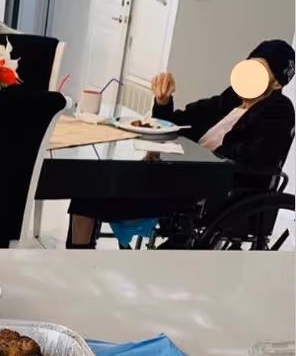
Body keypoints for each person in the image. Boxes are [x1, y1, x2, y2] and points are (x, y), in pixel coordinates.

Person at [67, 39, 296, 248]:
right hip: (183, 175)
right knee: (90, 185)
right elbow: (178, 122)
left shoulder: (279, 110)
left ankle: (89, 254)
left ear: (277, 82)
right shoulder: (230, 99)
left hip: (213, 191)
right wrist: (163, 102)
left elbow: (259, 158)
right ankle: (80, 255)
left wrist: (203, 153)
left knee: (97, 193)